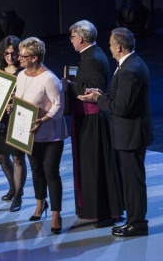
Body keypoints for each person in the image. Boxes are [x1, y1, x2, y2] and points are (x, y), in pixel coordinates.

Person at [78, 27, 153, 237]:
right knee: (130, 181)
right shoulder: (129, 64)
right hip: (128, 134)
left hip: (131, 135)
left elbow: (122, 107)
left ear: (119, 47)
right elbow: (122, 98)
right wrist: (104, 94)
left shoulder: (130, 69)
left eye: (111, 45)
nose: (109, 48)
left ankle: (137, 223)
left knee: (133, 182)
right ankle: (133, 220)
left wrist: (97, 100)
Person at [65, 20, 123, 227]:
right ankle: (110, 210)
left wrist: (68, 86)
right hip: (93, 118)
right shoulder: (92, 55)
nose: (71, 41)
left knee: (97, 167)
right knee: (101, 167)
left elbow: (90, 92)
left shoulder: (91, 59)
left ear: (80, 38)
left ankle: (105, 213)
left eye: (72, 37)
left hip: (93, 120)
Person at [14, 37, 67, 234]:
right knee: (36, 170)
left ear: (35, 58)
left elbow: (59, 106)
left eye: (23, 56)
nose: (19, 58)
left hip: (51, 135)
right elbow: (20, 99)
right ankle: (40, 205)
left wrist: (42, 121)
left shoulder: (49, 79)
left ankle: (56, 214)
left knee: (51, 173)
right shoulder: (21, 76)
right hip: (29, 134)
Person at [0, 36, 27, 211]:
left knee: (18, 158)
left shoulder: (25, 71)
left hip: (17, 119)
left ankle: (18, 196)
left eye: (14, 53)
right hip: (0, 119)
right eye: (7, 53)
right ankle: (13, 187)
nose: (10, 57)